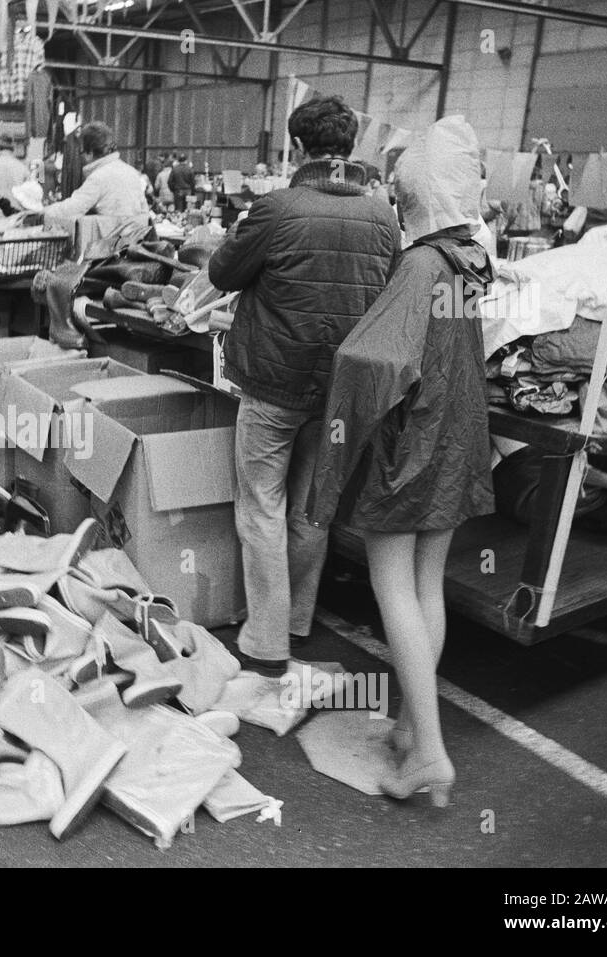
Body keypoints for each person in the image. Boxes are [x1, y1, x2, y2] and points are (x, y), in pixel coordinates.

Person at [308, 116, 496, 806]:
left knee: (393, 588)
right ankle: (414, 733)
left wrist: (337, 414)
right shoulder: (469, 261)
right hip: (454, 444)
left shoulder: (418, 265)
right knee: (426, 589)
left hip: (408, 448)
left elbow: (372, 360)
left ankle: (432, 752)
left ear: (411, 193)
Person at [208, 94, 401, 689]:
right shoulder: (383, 216)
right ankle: (296, 620)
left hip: (273, 381)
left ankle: (265, 640)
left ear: (298, 147)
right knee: (313, 506)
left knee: (262, 503)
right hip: (341, 390)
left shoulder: (278, 207)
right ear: (350, 148)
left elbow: (222, 273)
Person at [41, 121, 149, 223]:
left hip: (111, 239)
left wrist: (42, 213)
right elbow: (144, 211)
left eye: (81, 152)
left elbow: (73, 208)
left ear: (90, 153)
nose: (80, 157)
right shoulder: (131, 171)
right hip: (134, 238)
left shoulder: (99, 177)